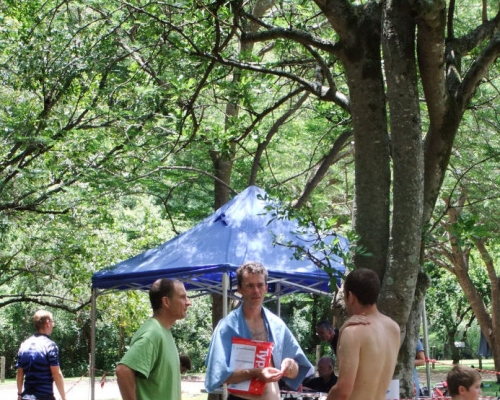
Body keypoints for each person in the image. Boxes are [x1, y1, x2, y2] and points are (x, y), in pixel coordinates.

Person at [205, 261, 314, 400]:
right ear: (239, 289)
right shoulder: (227, 326)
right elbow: (219, 375)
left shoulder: (277, 325)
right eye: (250, 285)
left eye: (260, 285)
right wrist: (255, 373)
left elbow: (297, 371)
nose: (256, 290)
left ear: (266, 288)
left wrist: (291, 366)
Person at [326, 268, 400, 400]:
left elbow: (343, 390)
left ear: (352, 297)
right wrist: (342, 330)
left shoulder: (354, 332)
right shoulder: (393, 328)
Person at [116, 278, 192, 400]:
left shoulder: (163, 331)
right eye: (183, 297)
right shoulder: (153, 333)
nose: (188, 302)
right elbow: (123, 371)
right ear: (166, 302)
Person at [16, 310, 66, 400]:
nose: (53, 325)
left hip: (26, 397)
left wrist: (19, 394)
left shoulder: (24, 345)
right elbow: (56, 374)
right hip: (44, 396)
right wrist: (64, 397)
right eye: (52, 321)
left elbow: (20, 373)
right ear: (47, 323)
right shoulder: (50, 345)